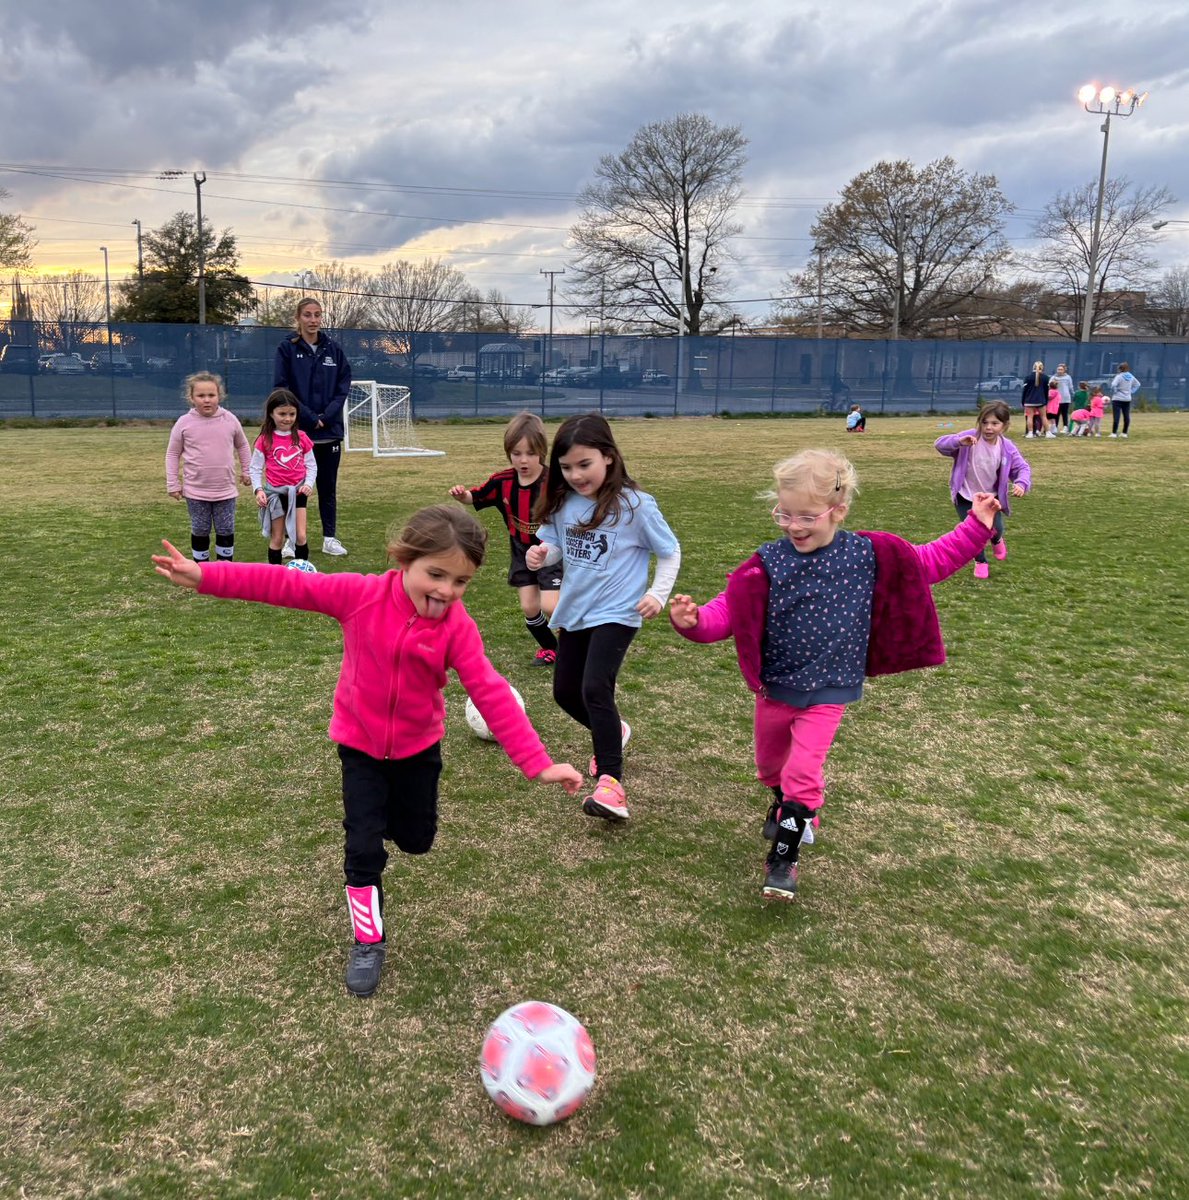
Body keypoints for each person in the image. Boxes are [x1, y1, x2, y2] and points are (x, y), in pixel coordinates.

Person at [151, 504, 583, 998]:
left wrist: (539, 763)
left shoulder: (457, 627)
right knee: (362, 848)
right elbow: (284, 585)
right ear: (405, 561)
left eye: (460, 582)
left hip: (418, 750)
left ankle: (394, 831)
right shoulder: (360, 595)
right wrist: (205, 575)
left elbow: (489, 690)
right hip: (359, 747)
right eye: (435, 574)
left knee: (417, 839)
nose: (445, 591)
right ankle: (368, 939)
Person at [669, 449, 1001, 902]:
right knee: (771, 767)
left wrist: (976, 525)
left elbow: (929, 562)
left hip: (829, 688)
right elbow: (730, 609)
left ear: (838, 511)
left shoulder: (869, 555)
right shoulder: (769, 562)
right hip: (776, 687)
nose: (793, 526)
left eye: (806, 516)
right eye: (784, 515)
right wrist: (694, 621)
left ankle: (783, 860)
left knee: (803, 772)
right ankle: (785, 802)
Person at [525, 414, 680, 824]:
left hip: (618, 613)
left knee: (596, 687)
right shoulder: (563, 502)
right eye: (566, 467)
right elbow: (555, 543)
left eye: (584, 464)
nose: (575, 475)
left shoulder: (635, 506)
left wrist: (656, 594)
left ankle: (611, 783)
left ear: (608, 457)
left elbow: (669, 551)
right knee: (564, 693)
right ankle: (614, 731)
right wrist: (541, 554)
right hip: (576, 611)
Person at [448, 411, 561, 667]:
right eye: (517, 453)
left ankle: (577, 644)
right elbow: (475, 497)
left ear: (542, 451)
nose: (523, 460)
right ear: (508, 452)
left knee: (551, 606)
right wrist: (461, 495)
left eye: (531, 453)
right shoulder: (502, 482)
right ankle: (552, 648)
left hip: (551, 550)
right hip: (521, 549)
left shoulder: (554, 481)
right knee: (530, 607)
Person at [273, 296, 352, 555]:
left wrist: (326, 416)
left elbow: (342, 388)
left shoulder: (334, 350)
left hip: (329, 432)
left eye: (317, 314)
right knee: (293, 488)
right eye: (307, 315)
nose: (313, 320)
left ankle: (330, 539)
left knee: (327, 488)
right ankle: (290, 540)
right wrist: (307, 417)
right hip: (299, 432)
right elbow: (283, 388)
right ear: (298, 318)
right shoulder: (287, 348)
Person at [934, 400, 1030, 579]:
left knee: (997, 528)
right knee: (972, 533)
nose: (988, 428)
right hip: (966, 496)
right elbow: (939, 444)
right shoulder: (970, 437)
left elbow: (1022, 468)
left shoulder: (1006, 447)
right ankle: (981, 561)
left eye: (995, 423)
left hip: (990, 499)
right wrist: (958, 442)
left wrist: (1021, 483)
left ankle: (997, 539)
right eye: (985, 422)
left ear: (1005, 425)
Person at [165, 372, 251, 563]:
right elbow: (172, 454)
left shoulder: (230, 419)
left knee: (226, 529)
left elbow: (243, 445)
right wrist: (173, 483)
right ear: (191, 397)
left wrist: (247, 471)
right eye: (201, 396)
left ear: (219, 396)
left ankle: (225, 567)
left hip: (225, 491)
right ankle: (201, 569)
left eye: (211, 395)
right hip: (196, 492)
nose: (206, 400)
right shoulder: (184, 423)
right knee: (200, 530)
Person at [251, 388, 317, 565]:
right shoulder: (265, 439)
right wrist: (258, 490)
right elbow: (255, 468)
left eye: (292, 414)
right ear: (271, 413)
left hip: (298, 493)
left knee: (300, 535)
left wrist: (308, 484)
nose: (287, 418)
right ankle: (275, 577)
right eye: (282, 414)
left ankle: (302, 576)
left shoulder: (302, 437)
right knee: (277, 538)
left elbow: (311, 465)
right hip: (275, 495)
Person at [1109, 362, 1141, 438]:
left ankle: (1114, 433)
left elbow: (1113, 385)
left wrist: (1115, 391)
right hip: (1127, 399)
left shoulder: (1119, 376)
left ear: (1120, 369)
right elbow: (1138, 384)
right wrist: (1132, 391)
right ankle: (1124, 433)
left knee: (1116, 416)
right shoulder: (1130, 376)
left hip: (1117, 398)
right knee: (1126, 416)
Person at [1020, 362, 1049, 439]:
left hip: (1029, 400)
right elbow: (1046, 391)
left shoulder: (1028, 377)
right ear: (1042, 368)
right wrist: (1046, 401)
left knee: (1030, 417)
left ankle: (1030, 433)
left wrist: (1023, 401)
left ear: (1033, 367)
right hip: (1041, 400)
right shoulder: (1045, 378)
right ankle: (1048, 433)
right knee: (1043, 417)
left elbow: (1024, 391)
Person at [1051, 364, 1075, 434]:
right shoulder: (1054, 377)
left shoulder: (1068, 377)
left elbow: (1071, 387)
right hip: (1056, 398)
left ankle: (1065, 427)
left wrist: (1073, 394)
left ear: (1064, 370)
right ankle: (1055, 427)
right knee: (1056, 414)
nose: (1059, 371)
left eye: (1061, 369)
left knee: (1064, 413)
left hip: (1065, 398)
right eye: (1058, 369)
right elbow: (1050, 385)